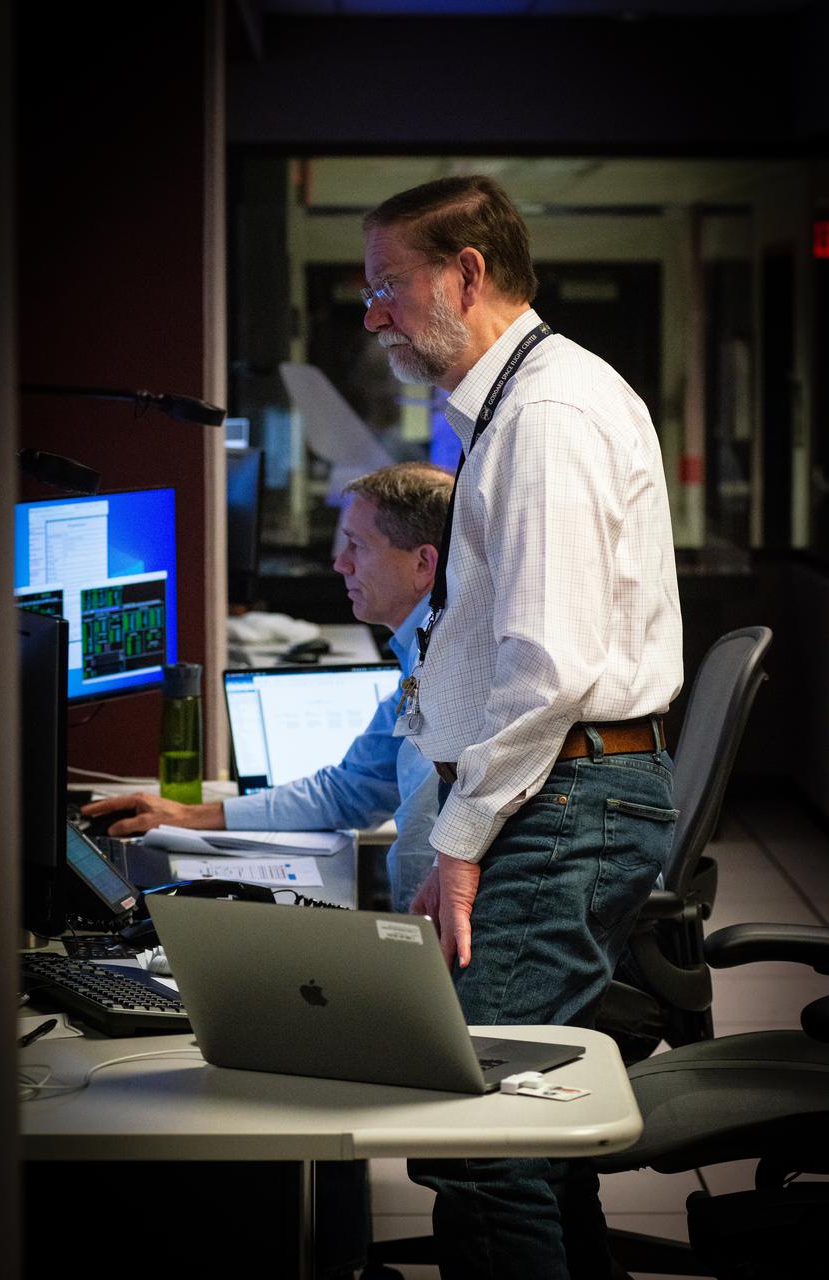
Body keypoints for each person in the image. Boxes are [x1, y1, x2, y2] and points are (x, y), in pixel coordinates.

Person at [360, 174, 683, 1278]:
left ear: (467, 273)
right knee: (525, 1129)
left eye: (387, 285)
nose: (372, 313)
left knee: (478, 1134)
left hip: (571, 797)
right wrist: (455, 813)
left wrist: (457, 838)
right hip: (554, 793)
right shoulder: (511, 407)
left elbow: (544, 667)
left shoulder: (543, 413)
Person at [82, 460, 454, 913]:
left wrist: (414, 951)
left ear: (423, 564)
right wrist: (187, 817)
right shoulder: (422, 653)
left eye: (357, 545)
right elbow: (349, 790)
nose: (341, 563)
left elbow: (424, 838)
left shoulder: (449, 670)